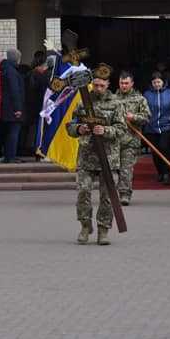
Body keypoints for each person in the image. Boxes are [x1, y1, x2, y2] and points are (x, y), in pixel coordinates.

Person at [66, 65, 126, 245]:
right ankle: (85, 226)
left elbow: (122, 130)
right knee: (83, 192)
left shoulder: (116, 104)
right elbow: (70, 126)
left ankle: (103, 229)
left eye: (102, 85)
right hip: (87, 156)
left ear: (108, 84)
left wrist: (105, 130)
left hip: (108, 158)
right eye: (96, 85)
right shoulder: (83, 102)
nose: (98, 88)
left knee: (107, 196)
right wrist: (79, 128)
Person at [114, 72, 151, 206]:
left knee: (126, 169)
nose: (123, 86)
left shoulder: (139, 99)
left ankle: (124, 194)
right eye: (121, 83)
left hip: (130, 140)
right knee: (114, 169)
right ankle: (113, 192)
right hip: (114, 140)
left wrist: (134, 117)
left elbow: (147, 118)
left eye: (126, 83)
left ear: (132, 84)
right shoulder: (112, 99)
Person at [143, 72, 170, 185]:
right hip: (151, 127)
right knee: (155, 151)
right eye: (154, 82)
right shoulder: (147, 94)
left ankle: (166, 173)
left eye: (158, 82)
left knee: (164, 147)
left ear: (163, 82)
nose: (157, 84)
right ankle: (160, 172)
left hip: (166, 126)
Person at [0, 49, 25, 163]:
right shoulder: (12, 72)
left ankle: (8, 155)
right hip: (13, 108)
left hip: (6, 107)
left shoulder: (6, 70)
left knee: (9, 132)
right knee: (14, 132)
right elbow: (15, 91)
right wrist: (18, 108)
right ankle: (11, 156)